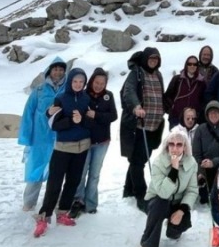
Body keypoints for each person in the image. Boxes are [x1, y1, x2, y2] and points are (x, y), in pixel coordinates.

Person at [33, 68, 93, 237]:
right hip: (63, 147)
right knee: (54, 183)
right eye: (75, 81)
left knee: (73, 182)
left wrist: (84, 120)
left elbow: (90, 123)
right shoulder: (61, 99)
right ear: (70, 81)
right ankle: (44, 217)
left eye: (81, 82)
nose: (78, 84)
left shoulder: (86, 98)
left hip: (82, 147)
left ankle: (62, 213)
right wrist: (70, 121)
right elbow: (53, 123)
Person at [139, 127, 198, 247]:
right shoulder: (159, 162)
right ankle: (147, 244)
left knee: (177, 229)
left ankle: (173, 229)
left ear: (184, 147)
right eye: (171, 144)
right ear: (167, 145)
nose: (175, 148)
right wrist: (174, 168)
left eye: (179, 144)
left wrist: (182, 210)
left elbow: (192, 190)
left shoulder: (191, 163)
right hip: (157, 201)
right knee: (161, 204)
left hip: (177, 202)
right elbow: (163, 193)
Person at [19, 56, 67, 212]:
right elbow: (28, 113)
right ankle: (29, 203)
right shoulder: (39, 90)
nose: (58, 72)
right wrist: (26, 137)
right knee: (36, 170)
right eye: (55, 69)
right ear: (50, 71)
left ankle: (57, 201)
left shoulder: (68, 89)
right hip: (40, 138)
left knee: (59, 171)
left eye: (61, 69)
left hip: (60, 137)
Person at [120, 47, 165, 212]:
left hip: (155, 126)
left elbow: (161, 95)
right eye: (151, 58)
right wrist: (136, 106)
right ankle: (141, 195)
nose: (153, 61)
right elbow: (129, 91)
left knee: (140, 159)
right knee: (138, 162)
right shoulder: (137, 73)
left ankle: (128, 188)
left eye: (156, 58)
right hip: (140, 125)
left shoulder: (158, 74)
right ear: (145, 59)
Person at [70, 67, 118, 217]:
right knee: (81, 172)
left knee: (95, 174)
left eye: (102, 83)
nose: (99, 85)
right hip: (85, 140)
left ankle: (90, 203)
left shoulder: (108, 96)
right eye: (96, 82)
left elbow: (113, 116)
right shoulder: (84, 95)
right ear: (92, 81)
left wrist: (96, 115)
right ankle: (78, 200)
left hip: (102, 141)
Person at [192, 101, 219, 204]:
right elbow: (196, 153)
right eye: (210, 113)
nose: (213, 115)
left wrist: (213, 162)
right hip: (204, 167)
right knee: (204, 198)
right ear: (207, 115)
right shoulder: (201, 129)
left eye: (216, 112)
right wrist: (201, 171)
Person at [163, 55, 206, 129]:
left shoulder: (201, 82)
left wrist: (198, 113)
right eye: (189, 64)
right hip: (176, 118)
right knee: (176, 140)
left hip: (193, 120)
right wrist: (172, 109)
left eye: (195, 64)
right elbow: (167, 96)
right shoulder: (177, 79)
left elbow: (204, 100)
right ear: (186, 65)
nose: (192, 66)